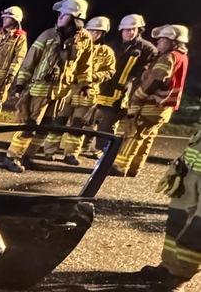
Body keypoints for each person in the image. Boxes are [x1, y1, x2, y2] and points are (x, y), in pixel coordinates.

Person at [2, 0, 93, 173]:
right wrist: (20, 85)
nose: (59, 17)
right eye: (60, 14)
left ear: (76, 17)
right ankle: (11, 157)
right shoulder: (48, 35)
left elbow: (85, 66)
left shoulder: (84, 39)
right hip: (39, 89)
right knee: (29, 125)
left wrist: (85, 85)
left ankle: (27, 157)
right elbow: (30, 61)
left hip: (61, 91)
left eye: (64, 14)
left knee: (45, 127)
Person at [111, 24, 189, 177]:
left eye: (162, 39)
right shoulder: (181, 56)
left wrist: (138, 95)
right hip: (164, 108)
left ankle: (119, 166)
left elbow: (157, 79)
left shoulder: (168, 56)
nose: (158, 42)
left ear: (173, 41)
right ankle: (134, 168)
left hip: (153, 104)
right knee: (146, 138)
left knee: (135, 134)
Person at [138, 120, 201, 292]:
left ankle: (179, 279)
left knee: (197, 230)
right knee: (177, 219)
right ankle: (168, 267)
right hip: (191, 172)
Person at [40, 15, 116, 164]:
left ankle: (71, 154)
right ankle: (49, 151)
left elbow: (110, 71)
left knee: (78, 125)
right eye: (92, 31)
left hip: (87, 94)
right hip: (68, 90)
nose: (94, 34)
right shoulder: (77, 44)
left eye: (98, 32)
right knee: (58, 122)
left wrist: (94, 76)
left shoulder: (106, 52)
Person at [91, 14, 156, 152]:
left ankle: (103, 149)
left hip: (124, 92)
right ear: (121, 29)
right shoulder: (112, 44)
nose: (131, 32)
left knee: (109, 121)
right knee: (92, 118)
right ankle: (88, 146)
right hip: (103, 88)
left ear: (139, 30)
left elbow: (146, 73)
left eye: (134, 29)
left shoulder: (147, 48)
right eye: (127, 29)